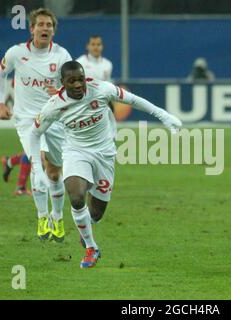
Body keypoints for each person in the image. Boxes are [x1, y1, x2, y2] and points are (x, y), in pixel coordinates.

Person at [27, 61, 182, 268]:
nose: (77, 85)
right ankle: (91, 248)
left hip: (105, 154)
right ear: (62, 83)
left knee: (97, 213)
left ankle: (87, 229)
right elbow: (34, 133)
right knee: (76, 195)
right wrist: (37, 168)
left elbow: (133, 100)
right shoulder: (54, 105)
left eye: (80, 79)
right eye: (71, 81)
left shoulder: (101, 89)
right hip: (75, 152)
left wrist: (164, 116)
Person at [0, 8, 72, 242]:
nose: (45, 28)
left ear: (54, 31)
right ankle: (41, 218)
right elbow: (0, 75)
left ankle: (57, 217)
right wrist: (0, 103)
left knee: (55, 173)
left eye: (49, 25)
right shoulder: (17, 53)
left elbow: (76, 86)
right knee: (38, 164)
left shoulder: (62, 55)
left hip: (55, 119)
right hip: (27, 120)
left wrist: (60, 90)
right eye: (41, 24)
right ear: (32, 29)